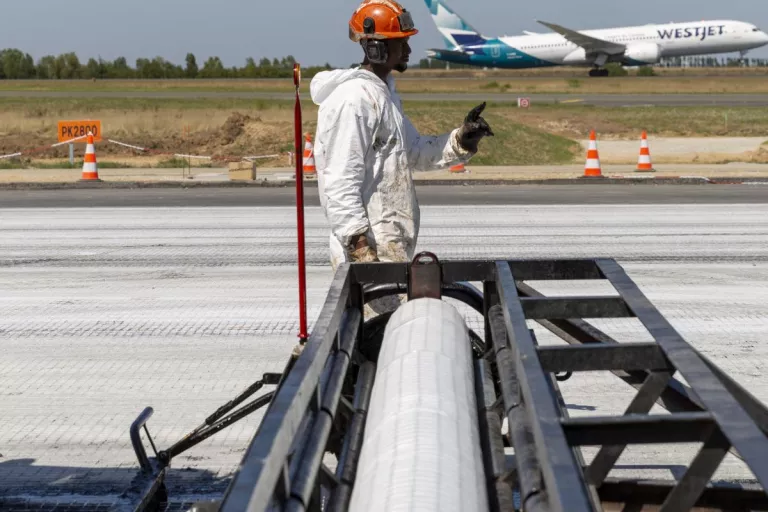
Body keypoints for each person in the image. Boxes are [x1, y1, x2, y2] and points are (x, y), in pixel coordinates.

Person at [310, 0, 493, 312]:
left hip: (387, 248)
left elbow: (415, 153)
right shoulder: (354, 100)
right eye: (402, 42)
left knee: (388, 341)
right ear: (376, 48)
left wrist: (460, 140)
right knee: (377, 342)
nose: (408, 50)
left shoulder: (382, 94)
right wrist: (359, 247)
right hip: (370, 250)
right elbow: (339, 180)